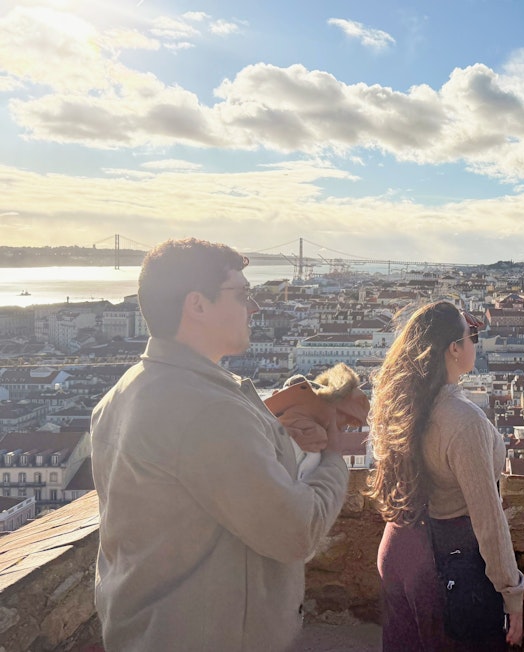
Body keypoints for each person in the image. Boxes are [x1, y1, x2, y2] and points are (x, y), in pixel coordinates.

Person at [90, 238, 351, 652]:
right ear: (197, 305)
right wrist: (335, 458)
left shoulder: (124, 392)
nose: (256, 308)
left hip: (146, 630)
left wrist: (271, 435)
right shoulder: (206, 411)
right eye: (243, 294)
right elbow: (297, 531)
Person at [367, 301, 524, 650]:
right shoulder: (463, 420)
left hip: (400, 550)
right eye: (471, 337)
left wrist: (455, 319)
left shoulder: (401, 401)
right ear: (454, 349)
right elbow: (488, 519)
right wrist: (512, 595)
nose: (475, 342)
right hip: (448, 563)